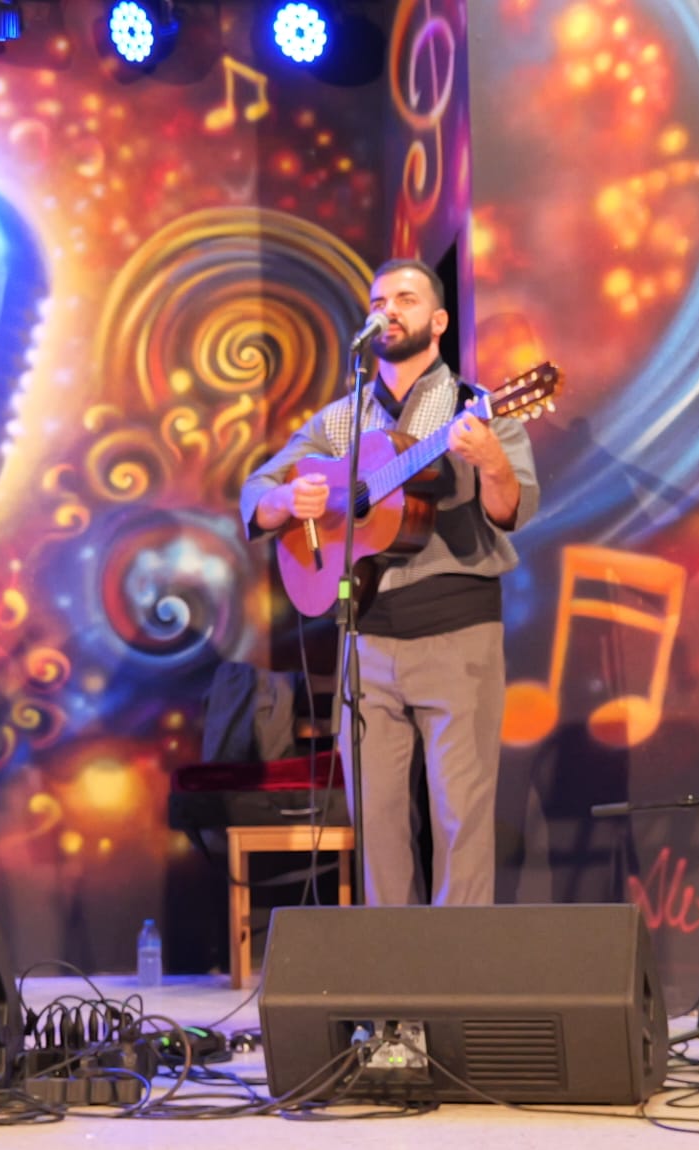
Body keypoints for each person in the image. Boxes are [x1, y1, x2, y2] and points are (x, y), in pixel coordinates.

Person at [239, 258, 540, 906]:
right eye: (379, 299)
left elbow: (513, 510)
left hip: (456, 632)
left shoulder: (477, 408)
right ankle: (394, 998)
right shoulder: (339, 420)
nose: (388, 309)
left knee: (460, 819)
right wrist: (292, 501)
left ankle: (457, 989)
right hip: (365, 636)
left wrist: (490, 463)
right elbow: (256, 493)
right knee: (375, 823)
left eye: (405, 298)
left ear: (437, 322)